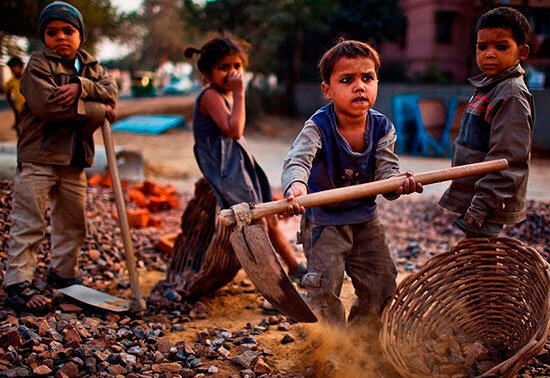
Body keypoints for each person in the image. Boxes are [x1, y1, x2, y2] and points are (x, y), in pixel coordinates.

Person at [280, 39, 422, 326]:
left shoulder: (383, 127)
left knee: (381, 280)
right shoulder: (318, 126)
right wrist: (296, 186)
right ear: (327, 90)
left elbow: (387, 171)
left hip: (365, 221)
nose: (360, 86)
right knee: (324, 286)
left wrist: (396, 183)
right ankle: (327, 345)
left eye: (367, 78)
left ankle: (363, 338)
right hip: (325, 222)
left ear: (377, 82)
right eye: (347, 80)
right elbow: (297, 160)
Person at [5, 1, 118, 313]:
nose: (61, 37)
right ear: (44, 38)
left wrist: (81, 85)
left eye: (68, 31)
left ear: (80, 34)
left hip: (75, 158)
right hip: (40, 156)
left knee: (72, 222)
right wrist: (98, 108)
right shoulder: (38, 67)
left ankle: (62, 275)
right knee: (29, 221)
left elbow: (113, 93)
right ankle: (17, 282)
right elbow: (49, 107)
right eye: (52, 32)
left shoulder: (93, 68)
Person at [184, 34, 307, 282]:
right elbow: (234, 129)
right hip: (224, 166)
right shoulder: (210, 96)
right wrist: (240, 93)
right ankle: (272, 277)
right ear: (208, 73)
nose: (232, 73)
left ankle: (294, 267)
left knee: (268, 215)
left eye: (237, 66)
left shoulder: (227, 94)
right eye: (224, 67)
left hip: (238, 162)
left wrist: (237, 94)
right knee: (253, 220)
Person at [439, 7, 533, 238]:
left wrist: (482, 204)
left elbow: (507, 159)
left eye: (501, 47)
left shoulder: (510, 94)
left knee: (482, 260)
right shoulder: (489, 87)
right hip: (477, 196)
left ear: (522, 52)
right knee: (476, 258)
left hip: (489, 202)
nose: (489, 54)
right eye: (483, 47)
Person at [4, 56, 26, 137]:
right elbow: (8, 95)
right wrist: (13, 107)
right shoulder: (11, 82)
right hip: (19, 110)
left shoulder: (27, 78)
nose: (13, 70)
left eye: (15, 67)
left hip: (31, 109)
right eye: (11, 68)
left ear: (21, 67)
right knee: (20, 131)